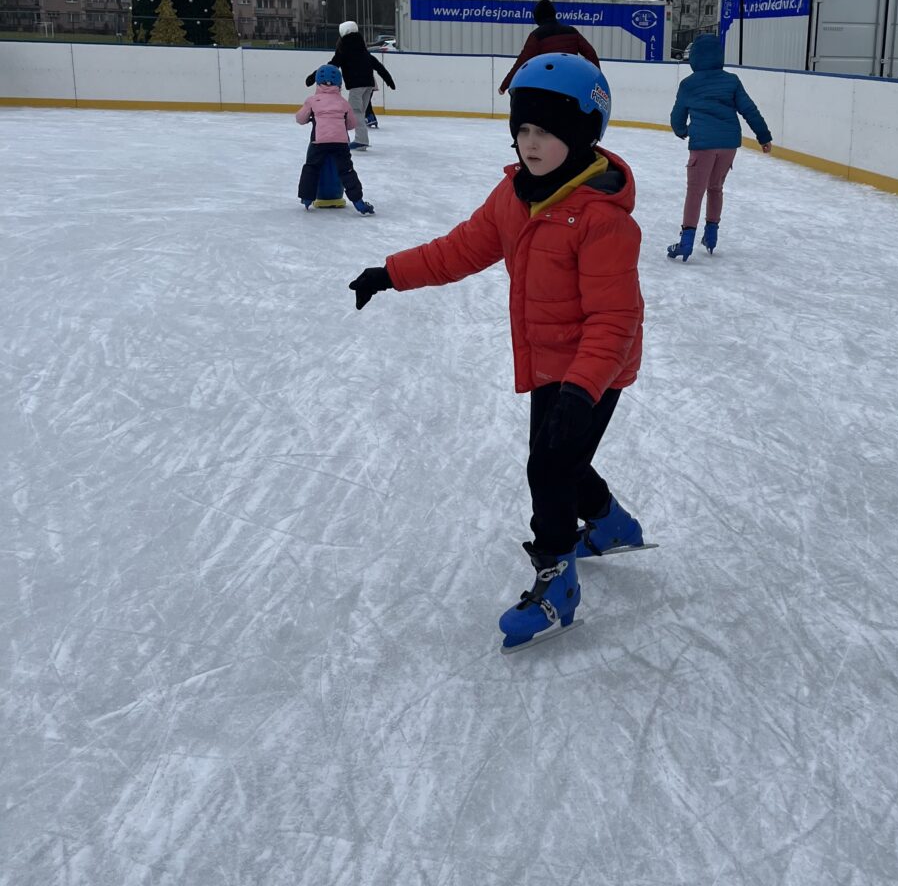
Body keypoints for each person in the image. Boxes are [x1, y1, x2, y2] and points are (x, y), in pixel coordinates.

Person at [348, 53, 646, 653]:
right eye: (523, 129)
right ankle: (613, 525)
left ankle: (558, 581)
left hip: (596, 364)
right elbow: (461, 248)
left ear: (584, 134)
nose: (531, 143)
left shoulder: (602, 221)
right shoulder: (514, 196)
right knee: (561, 457)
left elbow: (615, 319)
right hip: (546, 360)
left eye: (548, 132)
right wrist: (391, 274)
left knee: (549, 464)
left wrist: (582, 389)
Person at [667, 33, 773, 261]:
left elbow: (677, 116)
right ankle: (711, 236)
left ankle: (686, 242)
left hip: (703, 144)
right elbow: (749, 110)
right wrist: (763, 136)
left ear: (694, 57)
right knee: (715, 188)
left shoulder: (688, 84)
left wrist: (683, 131)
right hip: (728, 144)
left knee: (695, 192)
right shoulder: (731, 81)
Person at [295, 64, 374, 215]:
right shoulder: (343, 102)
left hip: (319, 141)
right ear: (339, 83)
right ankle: (359, 202)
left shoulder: (312, 100)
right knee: (347, 171)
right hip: (340, 143)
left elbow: (300, 118)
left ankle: (306, 199)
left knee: (311, 167)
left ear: (318, 82)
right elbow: (352, 124)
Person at [305, 21, 395, 150]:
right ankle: (360, 139)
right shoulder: (362, 50)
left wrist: (313, 77)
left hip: (356, 86)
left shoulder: (344, 50)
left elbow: (331, 65)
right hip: (368, 86)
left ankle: (361, 140)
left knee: (355, 112)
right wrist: (389, 81)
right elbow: (378, 66)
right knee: (360, 112)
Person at [497, 0, 601, 95]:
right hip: (571, 87)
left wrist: (504, 86)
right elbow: (590, 53)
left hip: (548, 88)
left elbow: (521, 63)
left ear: (538, 17)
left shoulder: (536, 36)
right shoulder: (572, 31)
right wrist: (598, 79)